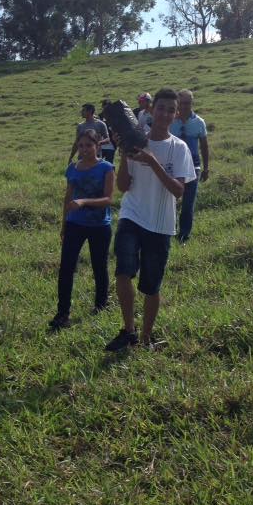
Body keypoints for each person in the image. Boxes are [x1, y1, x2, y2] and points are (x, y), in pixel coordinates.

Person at [106, 88, 195, 351]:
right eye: (161, 108)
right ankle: (129, 331)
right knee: (123, 271)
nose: (165, 114)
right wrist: (125, 154)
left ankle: (146, 339)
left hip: (160, 223)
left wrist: (152, 161)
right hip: (131, 215)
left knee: (151, 286)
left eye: (171, 110)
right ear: (151, 110)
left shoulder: (179, 148)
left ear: (176, 115)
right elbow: (123, 187)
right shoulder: (135, 139)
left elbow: (178, 191)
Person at [50, 129, 115, 330]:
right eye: (81, 146)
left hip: (99, 226)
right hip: (74, 224)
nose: (84, 149)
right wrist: (63, 225)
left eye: (89, 145)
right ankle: (62, 313)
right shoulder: (73, 169)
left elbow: (108, 199)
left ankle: (101, 305)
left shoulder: (106, 168)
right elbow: (67, 198)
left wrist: (84, 201)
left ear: (97, 146)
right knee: (66, 268)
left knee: (99, 266)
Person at [169, 89, 209, 244]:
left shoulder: (199, 122)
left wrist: (206, 168)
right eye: (181, 103)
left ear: (192, 103)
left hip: (193, 167)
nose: (184, 106)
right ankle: (169, 231)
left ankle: (184, 235)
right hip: (173, 168)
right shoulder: (171, 121)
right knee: (170, 202)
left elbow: (204, 146)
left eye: (187, 103)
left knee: (188, 204)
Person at [99, 99, 116, 163]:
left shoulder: (114, 117)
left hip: (111, 146)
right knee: (98, 164)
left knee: (109, 164)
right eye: (104, 107)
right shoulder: (100, 116)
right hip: (100, 146)